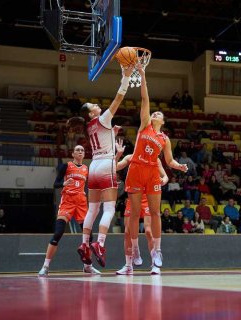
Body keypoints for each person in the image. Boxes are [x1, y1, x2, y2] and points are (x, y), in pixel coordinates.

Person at [124, 65, 188, 276]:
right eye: (155, 112)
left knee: (154, 212)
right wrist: (142, 75)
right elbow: (145, 100)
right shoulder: (145, 126)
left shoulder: (165, 139)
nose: (156, 113)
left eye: (159, 114)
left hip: (151, 171)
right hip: (136, 168)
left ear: (163, 121)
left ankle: (157, 253)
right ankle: (134, 250)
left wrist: (178, 166)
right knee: (134, 214)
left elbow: (168, 161)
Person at [76, 65, 134, 268]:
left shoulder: (88, 126)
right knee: (109, 209)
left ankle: (84, 244)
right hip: (107, 164)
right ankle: (99, 244)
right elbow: (119, 98)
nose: (96, 104)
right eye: (93, 104)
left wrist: (112, 133)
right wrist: (125, 78)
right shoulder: (102, 118)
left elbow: (104, 134)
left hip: (93, 165)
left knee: (92, 209)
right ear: (92, 113)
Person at [38, 146, 100, 276]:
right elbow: (55, 184)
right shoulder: (66, 166)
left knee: (89, 236)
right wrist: (64, 184)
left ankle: (88, 266)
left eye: (82, 150)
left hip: (81, 203)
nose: (80, 152)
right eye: (77, 150)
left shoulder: (86, 169)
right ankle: (45, 266)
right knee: (58, 233)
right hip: (67, 201)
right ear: (73, 153)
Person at [115, 152, 168, 275]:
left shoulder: (154, 159)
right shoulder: (131, 157)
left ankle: (155, 264)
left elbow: (165, 176)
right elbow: (115, 167)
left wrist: (163, 180)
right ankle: (128, 266)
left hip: (148, 197)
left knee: (148, 231)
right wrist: (118, 154)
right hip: (134, 196)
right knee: (127, 232)